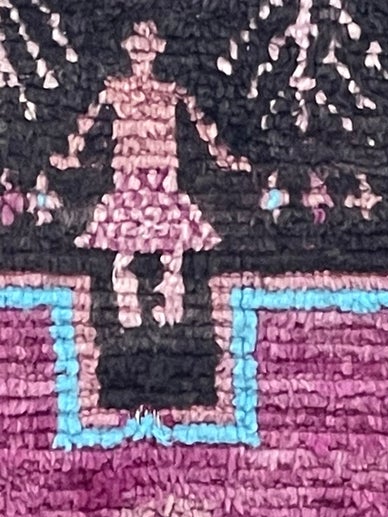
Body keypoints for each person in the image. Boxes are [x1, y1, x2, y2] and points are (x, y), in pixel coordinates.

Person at [51, 20, 253, 333]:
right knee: (126, 248)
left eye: (147, 42)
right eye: (136, 43)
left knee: (168, 248)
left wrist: (225, 158)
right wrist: (70, 155)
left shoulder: (170, 93)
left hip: (162, 178)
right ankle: (129, 305)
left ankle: (170, 307)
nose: (142, 51)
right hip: (129, 178)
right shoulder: (115, 90)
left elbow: (203, 128)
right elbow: (85, 124)